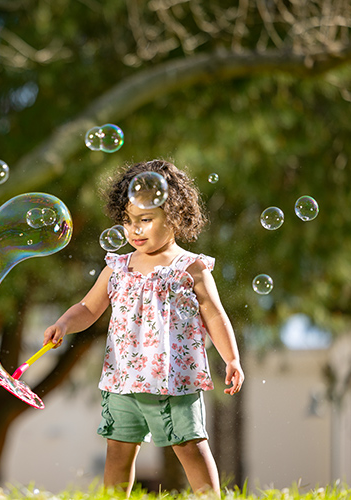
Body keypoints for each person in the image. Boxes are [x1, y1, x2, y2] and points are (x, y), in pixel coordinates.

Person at [43, 159, 244, 497]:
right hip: (123, 379)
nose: (134, 230)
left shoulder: (191, 268)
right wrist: (64, 322)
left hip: (174, 379)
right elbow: (89, 308)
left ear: (176, 217)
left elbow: (215, 314)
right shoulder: (117, 266)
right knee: (118, 452)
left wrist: (232, 359)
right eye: (127, 221)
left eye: (145, 220)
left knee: (190, 447)